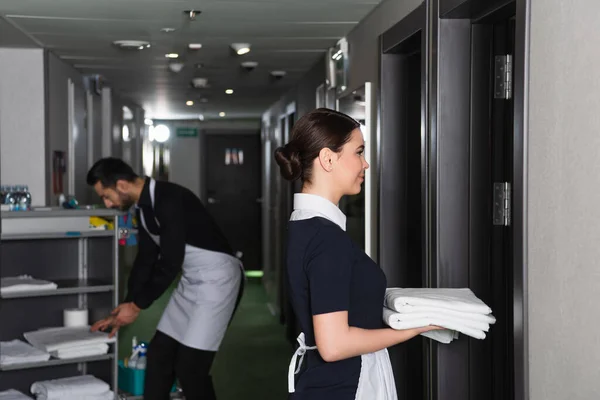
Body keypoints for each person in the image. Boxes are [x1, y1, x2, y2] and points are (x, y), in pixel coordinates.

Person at [274, 108, 442, 400]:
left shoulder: (304, 225)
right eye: (359, 152)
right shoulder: (326, 238)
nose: (365, 164)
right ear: (328, 158)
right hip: (345, 386)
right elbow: (334, 345)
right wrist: (419, 326)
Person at [86, 158, 244, 400]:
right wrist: (129, 303)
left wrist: (137, 306)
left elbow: (170, 262)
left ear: (122, 185)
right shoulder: (143, 208)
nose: (107, 203)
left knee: (191, 369)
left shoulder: (168, 199)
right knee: (159, 355)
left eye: (106, 196)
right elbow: (146, 259)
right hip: (192, 280)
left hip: (218, 280)